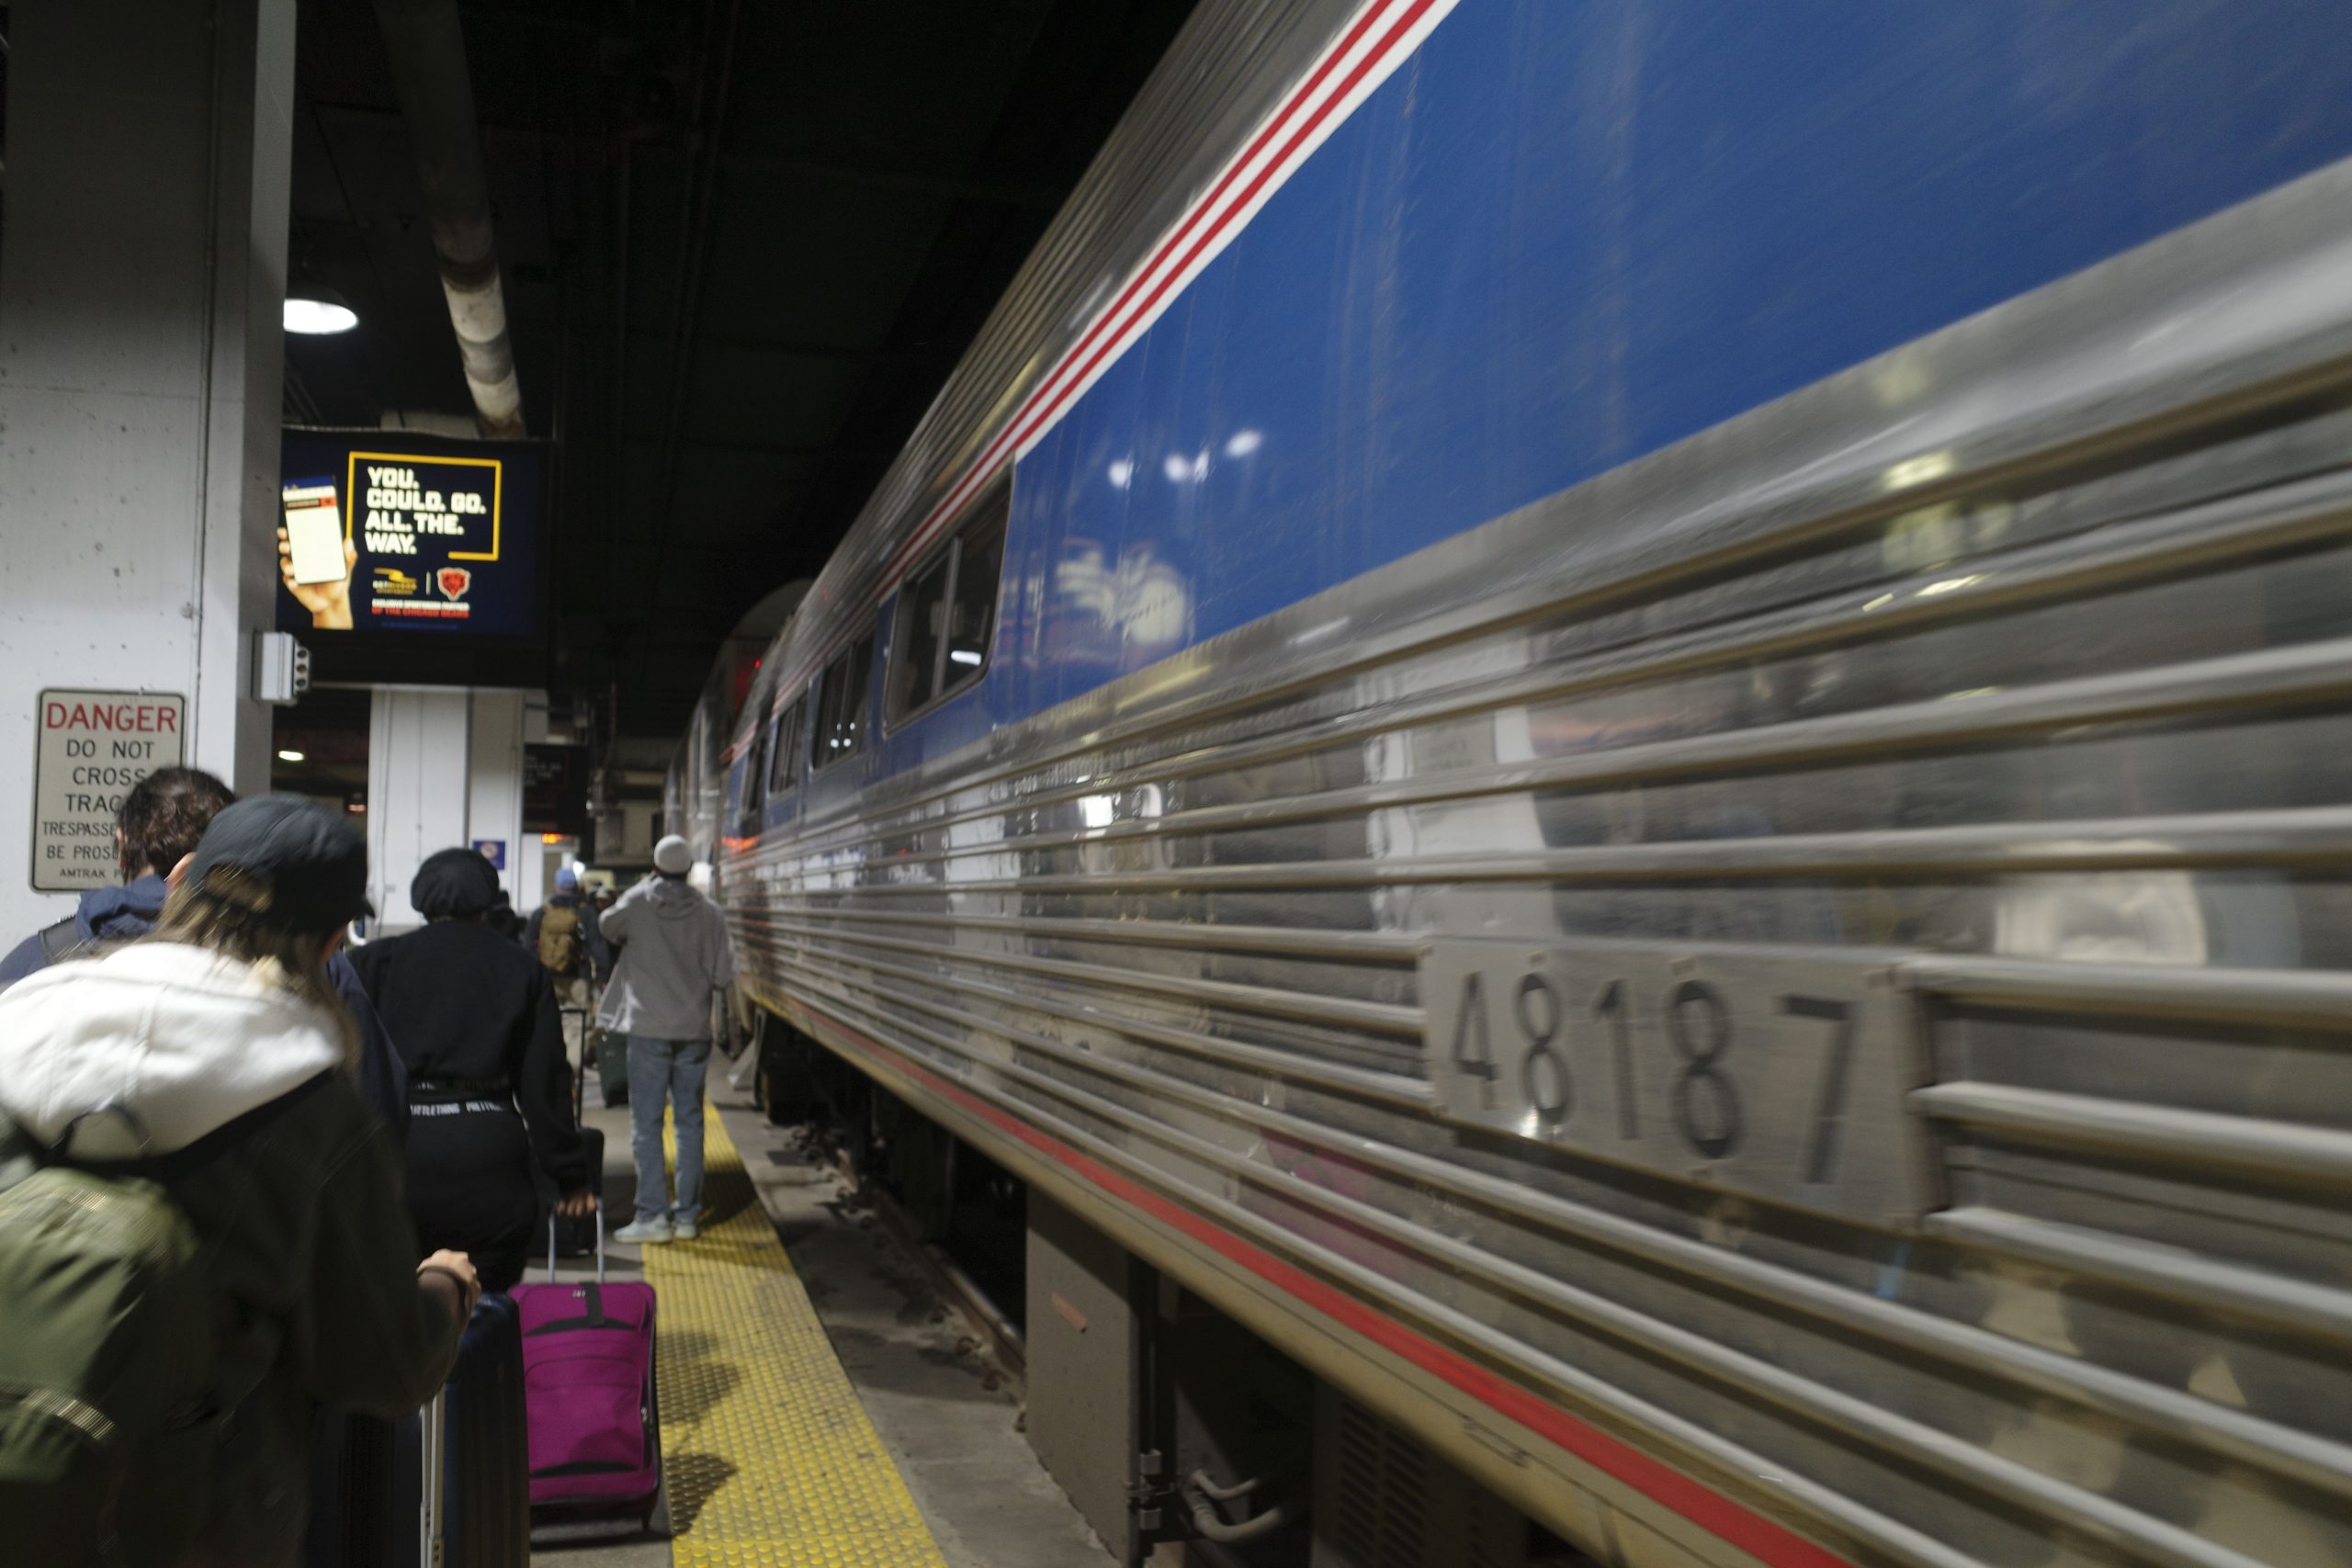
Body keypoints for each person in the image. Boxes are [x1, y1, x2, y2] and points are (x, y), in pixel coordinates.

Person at [0, 795, 476, 1566]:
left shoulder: (20, 1019)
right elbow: (379, 1364)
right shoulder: (311, 1109)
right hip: (194, 1519)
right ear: (329, 943)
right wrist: (444, 1290)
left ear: (179, 880)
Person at [0, 767, 411, 1145]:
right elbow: (381, 1120)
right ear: (331, 940)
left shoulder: (33, 975)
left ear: (177, 878)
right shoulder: (324, 1008)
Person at [350, 848, 594, 1291]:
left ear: (419, 898)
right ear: (489, 899)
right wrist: (570, 1174)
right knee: (485, 1310)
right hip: (488, 1156)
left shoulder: (371, 964)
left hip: (395, 1155)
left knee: (392, 1311)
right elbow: (545, 1086)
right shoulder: (521, 968)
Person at [601, 834, 733, 1244]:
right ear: (690, 870)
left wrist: (644, 886)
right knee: (690, 1124)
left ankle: (653, 1216)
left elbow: (607, 926)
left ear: (655, 868)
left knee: (647, 1126)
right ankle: (688, 1217)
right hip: (693, 1032)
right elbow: (724, 976)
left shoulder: (638, 903)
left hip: (648, 1031)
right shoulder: (712, 913)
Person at [526, 866, 616, 1100]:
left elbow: (527, 946)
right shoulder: (585, 912)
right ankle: (571, 1073)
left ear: (555, 887)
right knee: (577, 1026)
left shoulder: (542, 912)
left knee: (549, 1023)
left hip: (548, 979)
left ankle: (552, 1072)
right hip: (578, 977)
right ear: (575, 888)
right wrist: (605, 976)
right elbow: (597, 945)